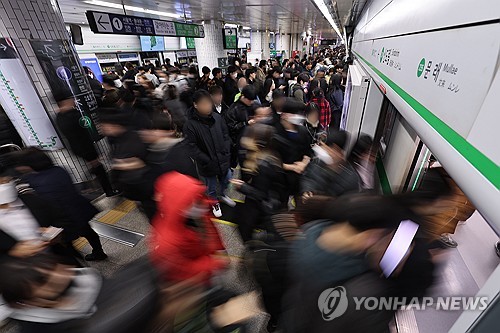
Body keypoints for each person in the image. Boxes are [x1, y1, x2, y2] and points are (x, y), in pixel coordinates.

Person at [13, 148, 107, 261]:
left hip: (65, 218)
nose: (18, 167)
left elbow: (49, 203)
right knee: (88, 232)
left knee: (67, 243)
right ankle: (99, 252)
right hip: (79, 209)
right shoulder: (58, 170)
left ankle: (79, 262)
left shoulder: (37, 181)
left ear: (30, 164)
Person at [149, 172, 227, 284]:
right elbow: (183, 271)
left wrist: (219, 248)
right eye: (191, 201)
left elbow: (211, 231)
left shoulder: (196, 213)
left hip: (207, 260)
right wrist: (213, 265)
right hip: (196, 282)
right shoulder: (167, 242)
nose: (200, 204)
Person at [231, 124, 283, 242]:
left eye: (250, 136)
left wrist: (242, 186)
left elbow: (261, 194)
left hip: (260, 207)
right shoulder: (262, 155)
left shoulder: (263, 165)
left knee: (246, 227)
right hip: (260, 204)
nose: (245, 138)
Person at [183, 90, 232, 217]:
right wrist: (206, 159)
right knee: (210, 187)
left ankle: (222, 194)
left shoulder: (217, 117)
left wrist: (226, 149)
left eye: (208, 103)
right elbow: (191, 147)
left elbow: (226, 135)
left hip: (223, 158)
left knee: (226, 179)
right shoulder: (190, 125)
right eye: (203, 104)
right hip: (207, 163)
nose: (208, 106)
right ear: (195, 105)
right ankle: (214, 202)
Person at [55, 97, 117, 197]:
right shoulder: (72, 115)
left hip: (78, 148)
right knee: (98, 168)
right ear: (63, 102)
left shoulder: (59, 117)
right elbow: (80, 133)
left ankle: (94, 186)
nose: (74, 101)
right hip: (85, 148)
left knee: (96, 167)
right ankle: (108, 191)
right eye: (71, 100)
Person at [300, 130, 360, 201]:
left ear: (336, 149)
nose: (321, 150)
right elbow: (308, 178)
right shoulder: (317, 163)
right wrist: (307, 191)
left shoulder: (351, 178)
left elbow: (347, 205)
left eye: (324, 147)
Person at [272, 98, 312, 202]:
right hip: (279, 180)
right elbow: (271, 159)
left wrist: (304, 163)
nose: (297, 117)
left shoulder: (303, 132)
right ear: (284, 114)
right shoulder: (274, 133)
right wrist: (292, 167)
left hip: (298, 179)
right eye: (294, 113)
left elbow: (308, 151)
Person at [224, 86, 257, 168]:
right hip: (238, 144)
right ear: (243, 97)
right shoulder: (233, 110)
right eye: (250, 100)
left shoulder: (252, 106)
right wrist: (245, 123)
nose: (252, 102)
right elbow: (231, 128)